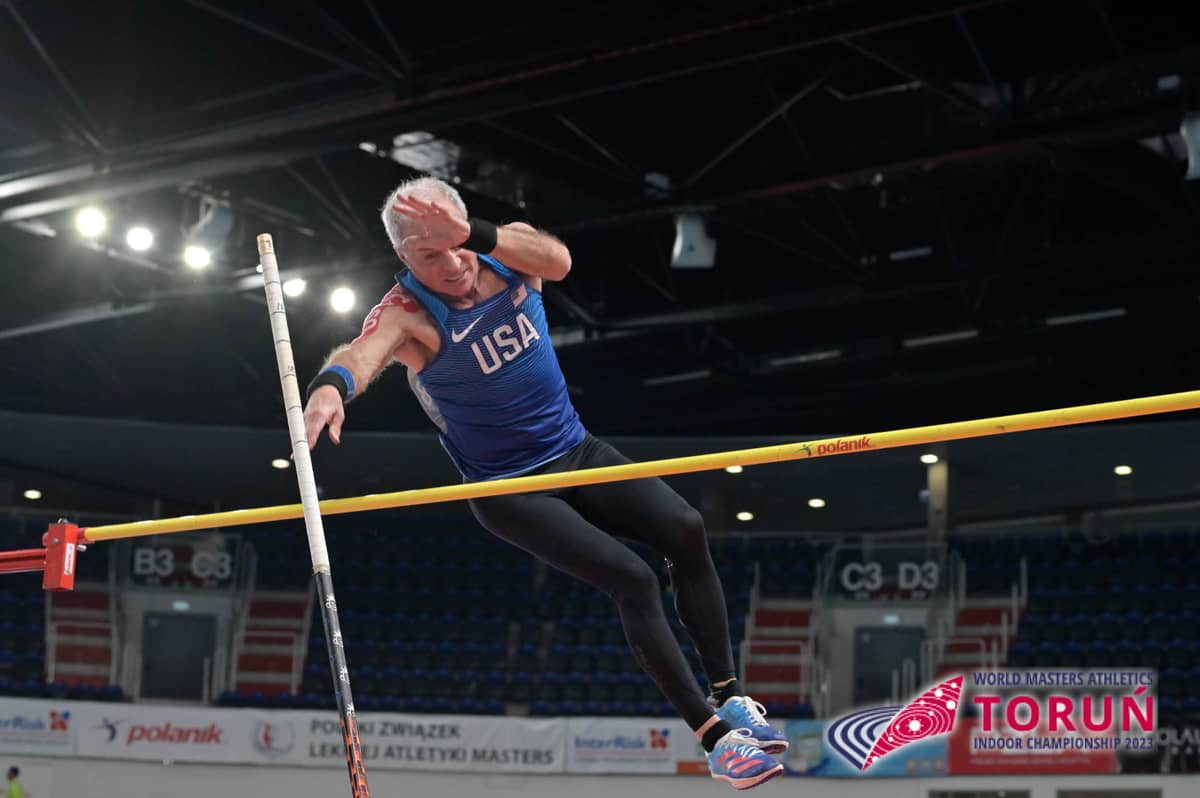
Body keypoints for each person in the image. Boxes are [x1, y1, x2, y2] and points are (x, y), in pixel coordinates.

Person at [303, 176, 787, 790]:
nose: (451, 264)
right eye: (430, 254)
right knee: (633, 579)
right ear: (404, 257)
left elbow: (558, 260)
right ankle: (716, 742)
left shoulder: (508, 256)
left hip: (576, 450)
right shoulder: (408, 316)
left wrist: (472, 236)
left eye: (456, 244)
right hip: (509, 489)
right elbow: (362, 352)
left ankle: (731, 698)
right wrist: (330, 387)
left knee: (686, 530)